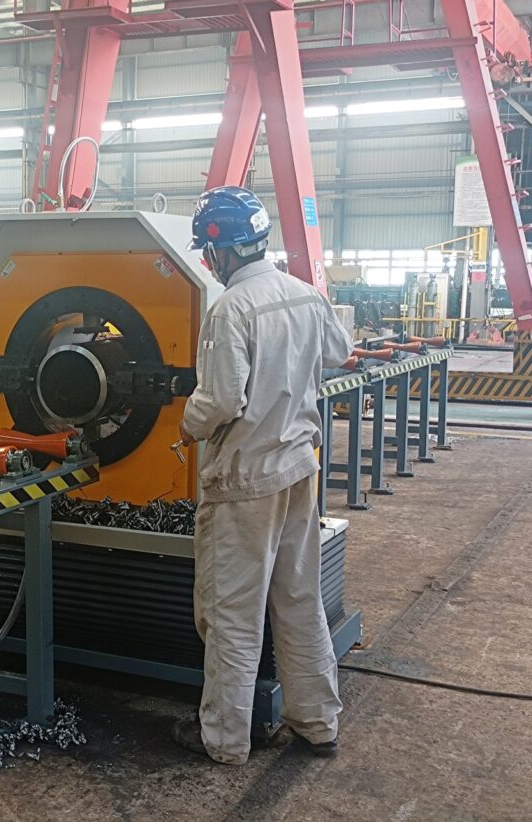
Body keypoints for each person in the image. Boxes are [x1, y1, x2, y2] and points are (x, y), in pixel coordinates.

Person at [172, 186, 355, 765]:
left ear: (222, 249)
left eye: (208, 251)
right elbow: (341, 350)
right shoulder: (304, 294)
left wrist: (187, 422)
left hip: (245, 481)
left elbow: (222, 400)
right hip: (299, 471)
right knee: (300, 598)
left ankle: (225, 741)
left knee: (232, 612)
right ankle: (318, 722)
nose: (208, 261)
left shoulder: (230, 308)